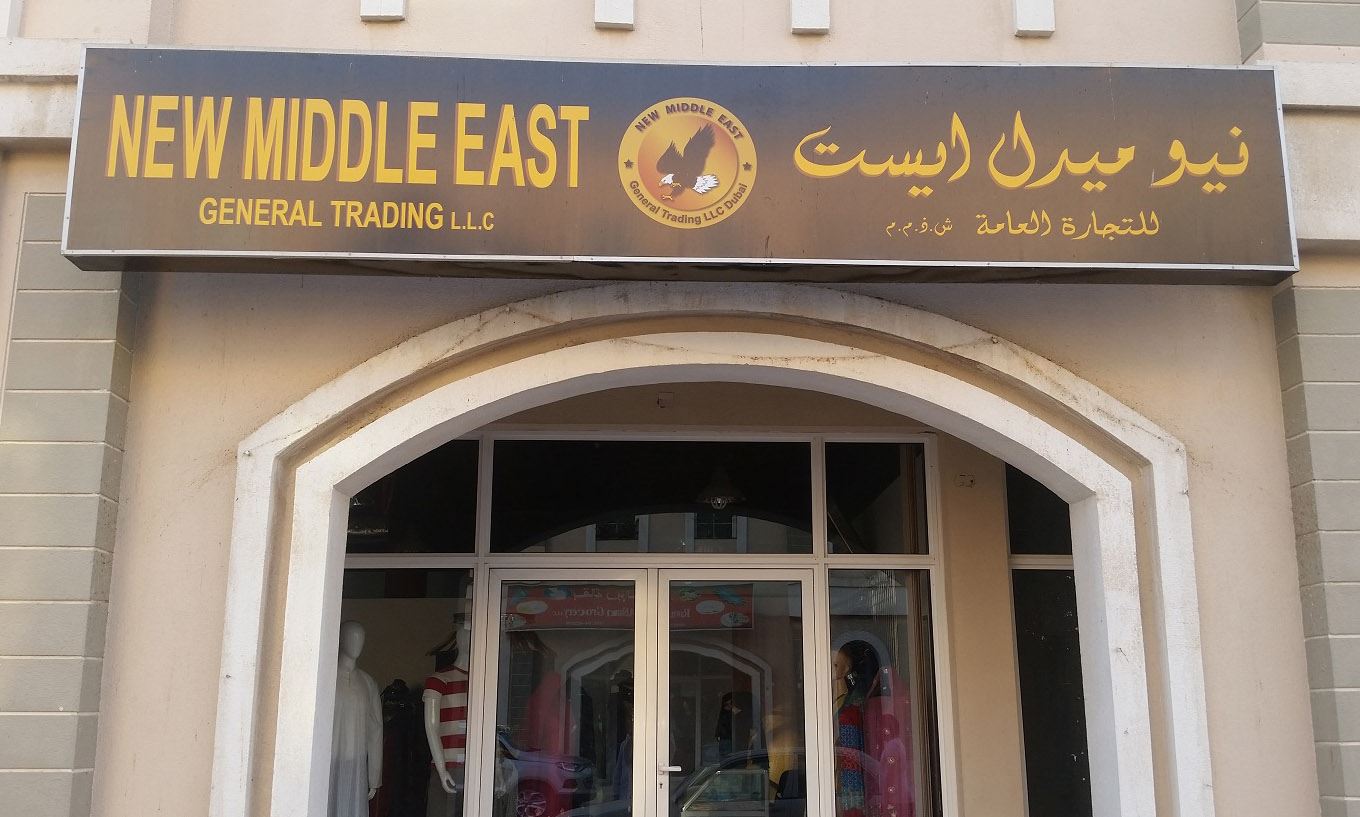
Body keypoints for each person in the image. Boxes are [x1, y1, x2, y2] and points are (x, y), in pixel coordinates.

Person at [833, 641, 879, 817]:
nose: (830, 670)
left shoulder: (854, 704)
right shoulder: (835, 699)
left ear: (846, 668)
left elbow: (852, 754)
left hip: (850, 778)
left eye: (835, 665)